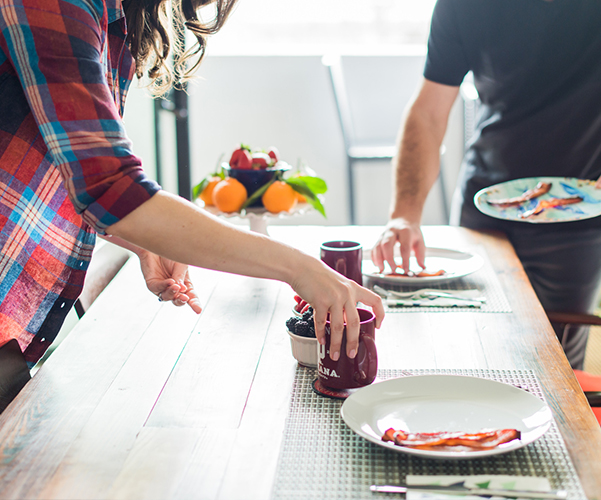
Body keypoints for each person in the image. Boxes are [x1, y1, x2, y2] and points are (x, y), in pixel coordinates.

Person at [0, 0, 384, 410]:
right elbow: (109, 185)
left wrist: (146, 240)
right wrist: (299, 268)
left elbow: (72, 168)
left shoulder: (109, 15)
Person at [372, 0, 601, 370]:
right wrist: (404, 214)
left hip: (581, 216)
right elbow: (428, 111)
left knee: (554, 366)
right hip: (486, 207)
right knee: (471, 350)